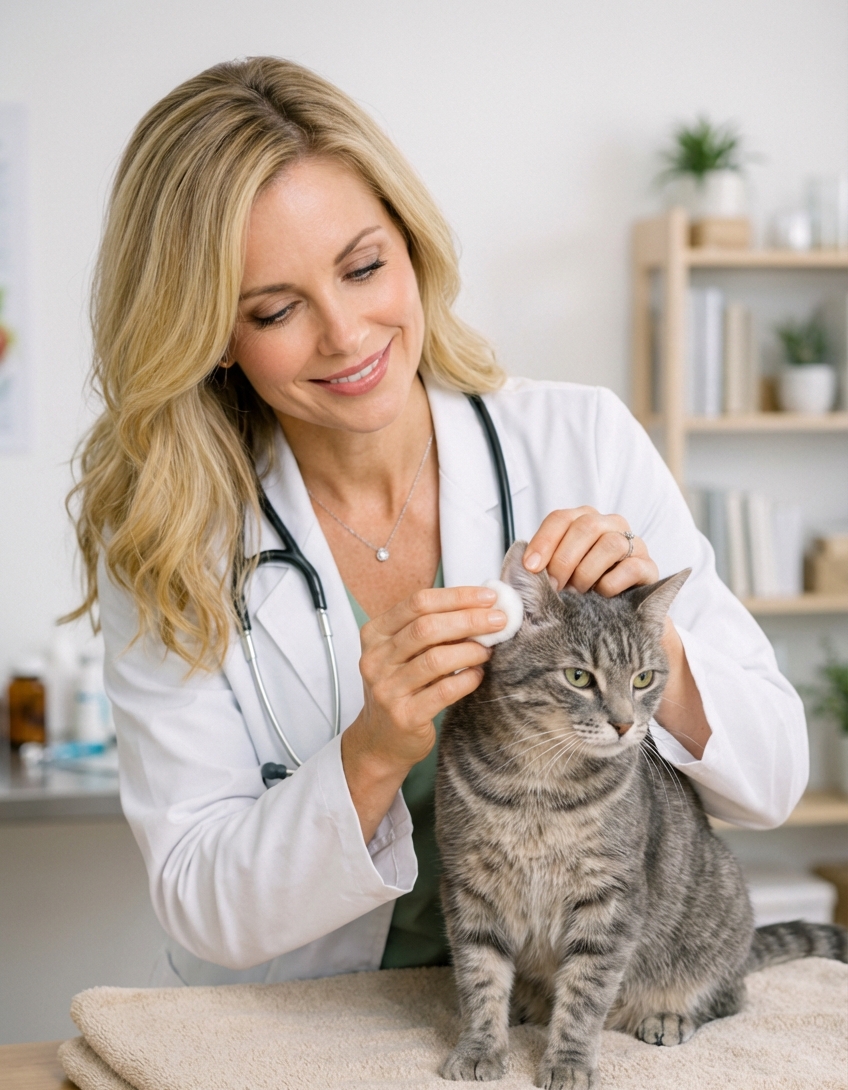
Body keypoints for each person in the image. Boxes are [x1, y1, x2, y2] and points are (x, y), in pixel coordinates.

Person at [69, 57, 807, 987]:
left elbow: (776, 776)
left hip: (555, 1017)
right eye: (277, 309)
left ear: (412, 246)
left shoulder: (578, 438)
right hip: (308, 1032)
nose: (345, 335)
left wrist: (646, 641)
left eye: (364, 266)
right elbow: (198, 899)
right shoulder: (169, 539)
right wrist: (373, 751)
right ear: (212, 334)